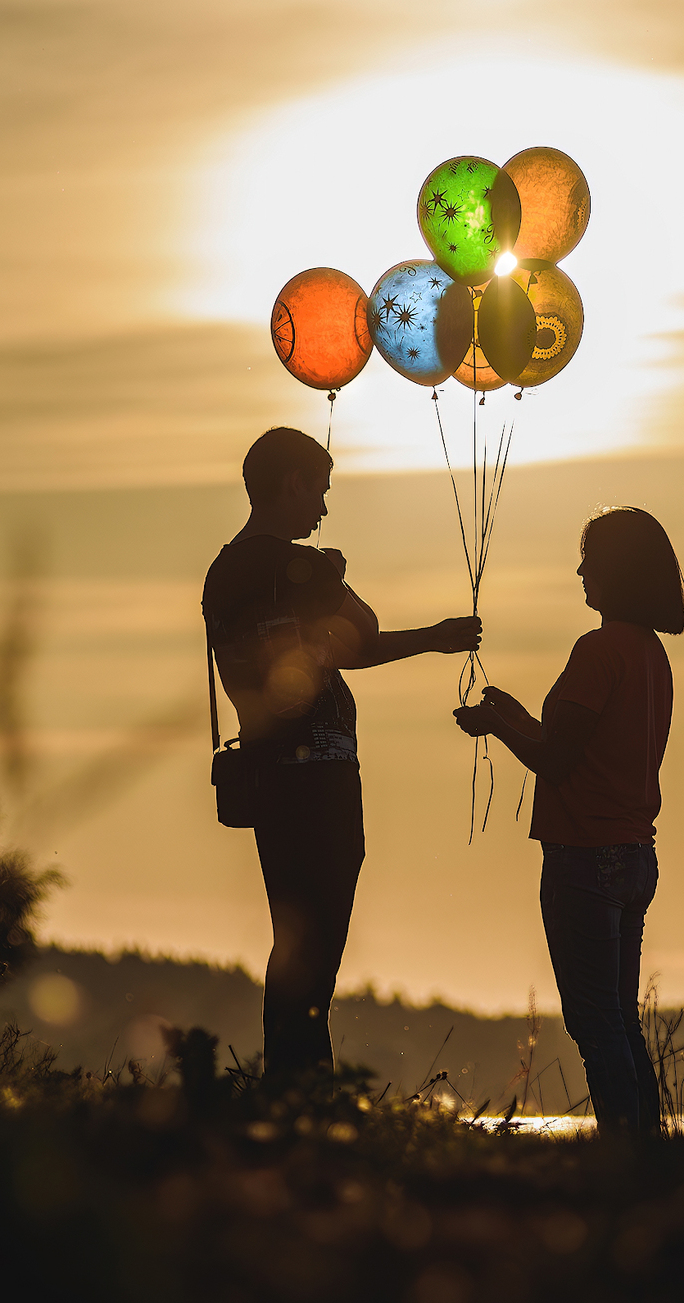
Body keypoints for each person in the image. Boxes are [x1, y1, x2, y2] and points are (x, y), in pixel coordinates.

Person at [204, 427, 481, 1079]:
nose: (323, 509)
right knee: (318, 948)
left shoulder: (225, 571)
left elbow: (331, 651)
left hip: (271, 779)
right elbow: (366, 632)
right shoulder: (291, 565)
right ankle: (301, 1089)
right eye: (320, 491)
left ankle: (292, 1083)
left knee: (296, 942)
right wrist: (342, 582)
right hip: (319, 779)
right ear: (293, 482)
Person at [453, 507, 684, 1134]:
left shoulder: (599, 649)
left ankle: (624, 1152)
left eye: (590, 559)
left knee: (595, 1021)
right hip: (634, 853)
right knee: (619, 1016)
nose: (580, 570)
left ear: (614, 571)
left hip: (586, 856)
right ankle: (647, 1148)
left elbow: (556, 761)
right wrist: (515, 717)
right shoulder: (649, 654)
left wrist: (500, 726)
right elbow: (579, 748)